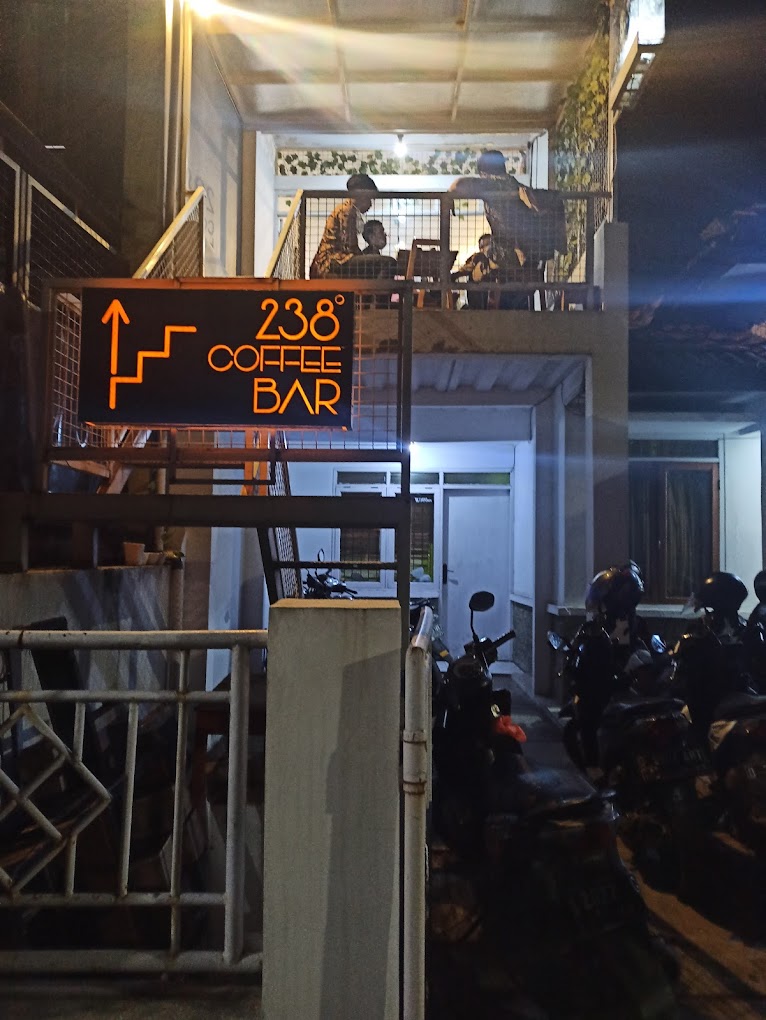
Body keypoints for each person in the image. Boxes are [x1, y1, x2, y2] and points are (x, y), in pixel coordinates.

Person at [448, 150, 566, 309]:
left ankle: (481, 315)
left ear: (483, 172)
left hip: (505, 262)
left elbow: (458, 185)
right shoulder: (516, 185)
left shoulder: (491, 185)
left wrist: (449, 196)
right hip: (532, 264)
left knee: (475, 276)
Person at [310, 174, 396, 280]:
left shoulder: (349, 210)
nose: (370, 204)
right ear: (362, 195)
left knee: (374, 264)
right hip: (332, 262)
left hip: (336, 261)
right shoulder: (346, 211)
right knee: (389, 262)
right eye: (369, 198)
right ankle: (378, 291)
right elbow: (349, 246)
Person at [451, 233, 498, 309]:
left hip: (493, 295)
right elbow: (465, 269)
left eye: (486, 245)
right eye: (481, 247)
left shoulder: (499, 258)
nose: (482, 249)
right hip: (477, 295)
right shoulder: (477, 257)